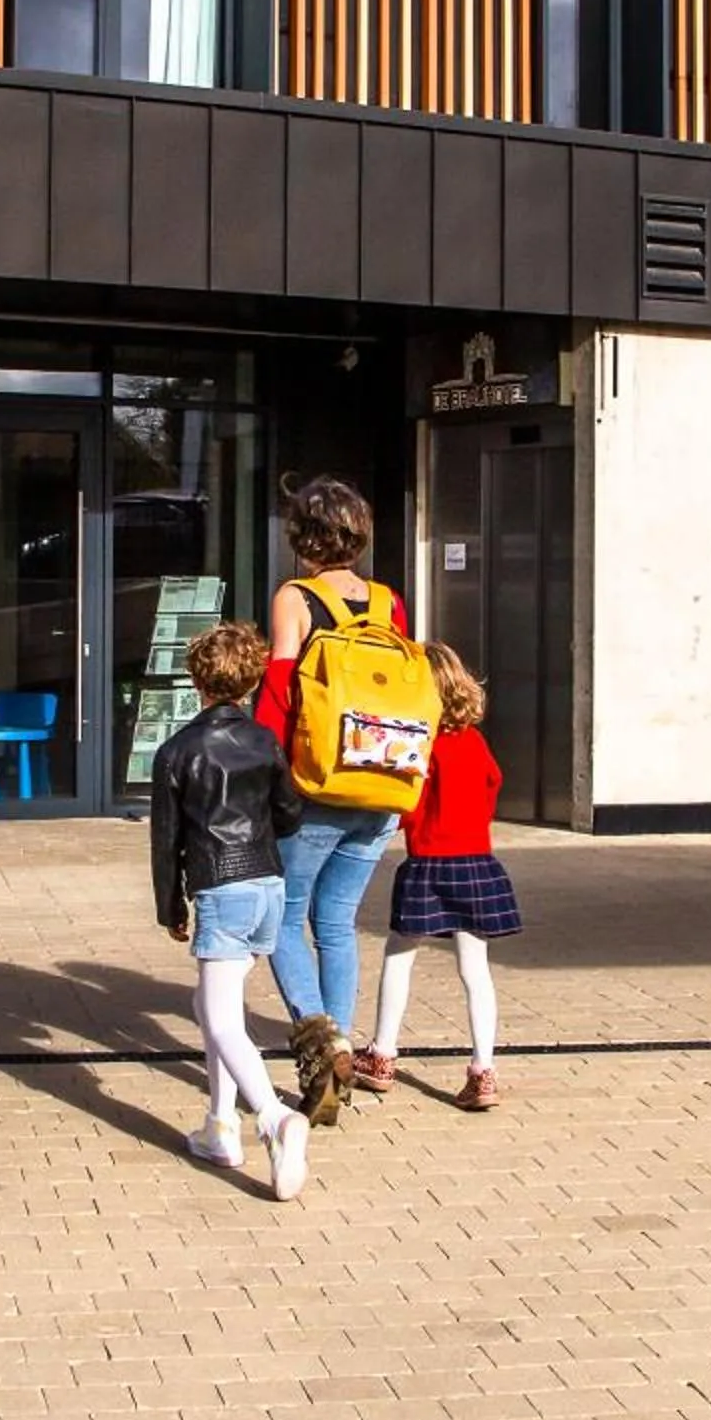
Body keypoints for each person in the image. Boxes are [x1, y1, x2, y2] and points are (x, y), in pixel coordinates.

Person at [256, 475, 408, 1126]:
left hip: (315, 787)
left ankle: (324, 1048)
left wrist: (262, 775)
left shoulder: (295, 597)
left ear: (302, 538)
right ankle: (341, 1041)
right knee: (337, 923)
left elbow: (279, 693)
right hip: (380, 787)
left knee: (283, 919)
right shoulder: (388, 602)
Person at [150, 618, 312, 1200]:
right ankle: (219, 1124)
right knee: (212, 1004)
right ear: (252, 680)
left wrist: (170, 904)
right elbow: (289, 812)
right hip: (268, 883)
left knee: (220, 1019)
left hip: (220, 887)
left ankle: (271, 1117)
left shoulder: (177, 751)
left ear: (196, 680)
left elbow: (166, 840)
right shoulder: (265, 741)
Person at [352, 641, 518, 1111]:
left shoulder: (418, 743)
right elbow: (492, 781)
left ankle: (382, 1054)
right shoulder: (474, 740)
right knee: (475, 969)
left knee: (399, 954)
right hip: (475, 861)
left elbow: (408, 806)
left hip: (427, 861)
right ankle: (483, 1070)